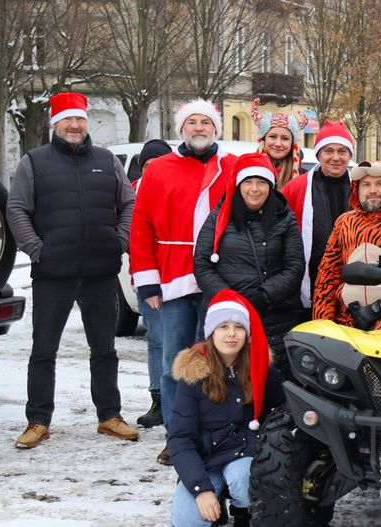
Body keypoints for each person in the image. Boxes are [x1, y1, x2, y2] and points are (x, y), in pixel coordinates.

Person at [7, 92, 139, 448]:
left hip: (100, 270)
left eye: (79, 119)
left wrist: (120, 239)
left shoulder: (106, 160)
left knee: (105, 348)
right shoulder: (34, 162)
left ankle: (109, 416)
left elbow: (128, 202)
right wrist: (36, 249)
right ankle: (38, 421)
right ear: (55, 123)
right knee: (43, 350)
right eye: (67, 119)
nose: (75, 125)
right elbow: (16, 209)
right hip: (53, 272)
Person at [131, 98, 237, 465]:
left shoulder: (232, 168)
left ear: (215, 130)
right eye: (191, 122)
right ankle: (177, 437)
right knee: (174, 364)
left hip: (218, 281)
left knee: (215, 362)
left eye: (205, 123)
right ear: (181, 129)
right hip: (172, 280)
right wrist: (147, 282)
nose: (198, 128)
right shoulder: (159, 170)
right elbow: (141, 227)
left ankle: (212, 434)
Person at [168, 289, 284, 527]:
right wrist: (201, 489)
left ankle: (245, 512)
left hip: (244, 455)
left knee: (243, 479)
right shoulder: (193, 375)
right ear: (211, 332)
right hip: (206, 460)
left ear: (247, 333)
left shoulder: (262, 369)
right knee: (186, 522)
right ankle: (214, 503)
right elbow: (180, 439)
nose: (231, 334)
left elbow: (278, 418)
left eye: (239, 327)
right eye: (223, 327)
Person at [193, 153, 305, 373]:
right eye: (248, 182)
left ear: (270, 186)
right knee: (221, 383)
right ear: (238, 185)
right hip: (225, 313)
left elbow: (294, 267)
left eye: (261, 182)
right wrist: (228, 298)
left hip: (272, 316)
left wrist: (264, 295)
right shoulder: (219, 216)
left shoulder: (285, 218)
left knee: (269, 381)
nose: (255, 189)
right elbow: (202, 264)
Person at [313, 161, 381, 329]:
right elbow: (328, 275)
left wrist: (379, 308)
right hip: (346, 319)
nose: (373, 190)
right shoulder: (345, 222)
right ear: (357, 188)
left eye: (380, 184)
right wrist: (323, 323)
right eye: (366, 184)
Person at [282, 121, 354, 311]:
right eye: (329, 151)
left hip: (352, 279)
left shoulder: (362, 187)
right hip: (309, 279)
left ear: (350, 155)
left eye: (342, 151)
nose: (336, 157)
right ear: (319, 154)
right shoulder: (296, 187)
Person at [133, 139, 174, 429]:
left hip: (179, 277)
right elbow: (131, 231)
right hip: (149, 277)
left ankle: (181, 401)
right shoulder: (135, 191)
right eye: (148, 165)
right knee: (157, 340)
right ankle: (158, 397)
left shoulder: (176, 187)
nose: (154, 169)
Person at [250, 97, 303, 189]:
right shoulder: (247, 171)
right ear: (264, 139)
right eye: (273, 136)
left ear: (292, 143)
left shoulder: (305, 178)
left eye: (285, 138)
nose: (278, 143)